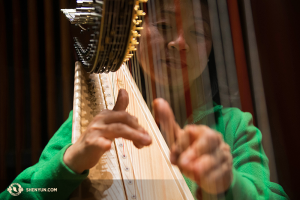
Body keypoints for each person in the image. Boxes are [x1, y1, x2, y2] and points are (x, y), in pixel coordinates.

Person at [0, 0, 289, 199]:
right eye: (163, 26)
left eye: (198, 31)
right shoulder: (97, 118)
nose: (179, 42)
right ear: (134, 34)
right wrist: (72, 160)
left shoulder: (234, 126)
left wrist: (229, 183)